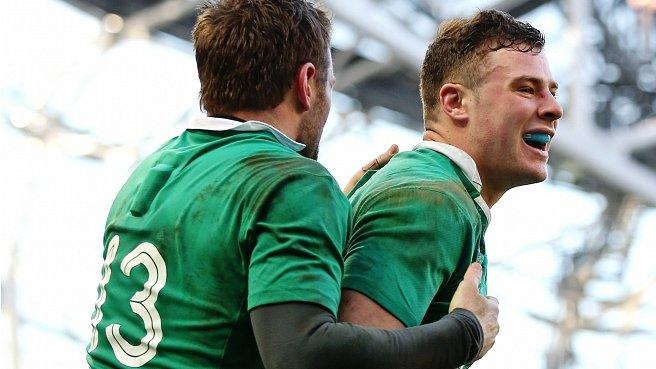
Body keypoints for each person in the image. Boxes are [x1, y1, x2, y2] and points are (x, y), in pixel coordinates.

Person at [86, 1, 498, 368]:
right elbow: (302, 356)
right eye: (329, 85)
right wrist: (464, 333)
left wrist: (328, 212)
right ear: (306, 83)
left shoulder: (156, 166)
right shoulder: (293, 184)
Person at [339, 8, 563, 364]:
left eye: (552, 92)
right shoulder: (429, 199)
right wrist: (466, 334)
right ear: (455, 102)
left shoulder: (440, 192)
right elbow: (350, 360)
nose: (554, 108)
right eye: (526, 89)